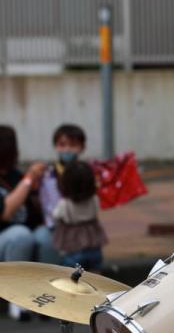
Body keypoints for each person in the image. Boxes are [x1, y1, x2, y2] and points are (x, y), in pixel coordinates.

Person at [0, 125, 49, 319]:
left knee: (47, 237)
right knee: (21, 235)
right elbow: (6, 212)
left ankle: (50, 297)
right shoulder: (24, 177)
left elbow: (35, 214)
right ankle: (17, 299)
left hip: (25, 231)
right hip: (6, 239)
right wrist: (29, 179)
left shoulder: (15, 175)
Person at [37, 123, 88, 264]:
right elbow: (48, 201)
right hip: (55, 225)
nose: (66, 149)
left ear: (82, 147)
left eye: (72, 145)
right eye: (62, 144)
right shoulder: (48, 173)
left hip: (81, 226)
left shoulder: (86, 171)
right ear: (55, 146)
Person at [51, 159, 107, 272]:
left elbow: (55, 215)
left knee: (74, 279)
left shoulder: (65, 204)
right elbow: (96, 210)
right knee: (96, 278)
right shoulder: (94, 199)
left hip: (73, 248)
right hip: (94, 246)